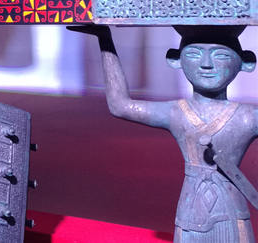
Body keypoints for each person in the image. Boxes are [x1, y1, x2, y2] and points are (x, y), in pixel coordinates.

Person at [71, 25, 257, 242]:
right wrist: (105, 41)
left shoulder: (247, 117)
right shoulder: (177, 113)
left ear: (246, 63)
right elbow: (120, 105)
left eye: (221, 55)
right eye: (194, 54)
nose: (206, 64)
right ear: (175, 60)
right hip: (191, 213)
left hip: (231, 215)